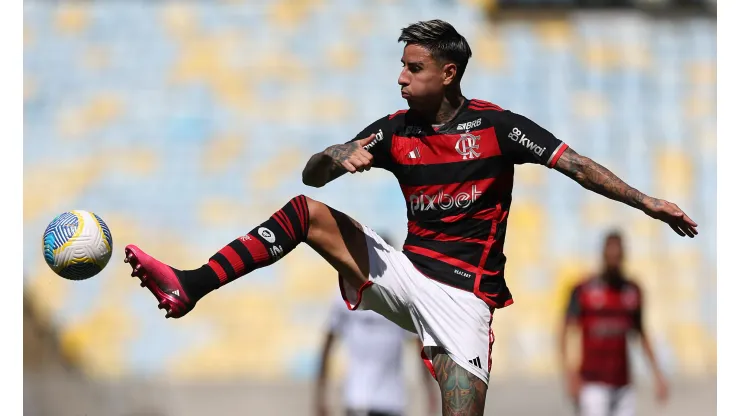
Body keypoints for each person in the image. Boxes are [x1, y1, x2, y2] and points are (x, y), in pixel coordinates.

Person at [122, 19, 697, 415]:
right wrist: (334, 155)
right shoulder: (395, 131)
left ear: (448, 74)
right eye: (401, 66)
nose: (400, 77)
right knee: (305, 213)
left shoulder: (498, 128)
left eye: (413, 67)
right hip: (407, 274)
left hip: (466, 303)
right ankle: (189, 285)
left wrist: (646, 202)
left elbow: (573, 165)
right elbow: (311, 176)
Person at [315, 235, 437, 416]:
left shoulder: (402, 298)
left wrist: (430, 394)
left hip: (392, 402)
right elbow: (328, 342)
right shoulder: (346, 293)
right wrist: (320, 395)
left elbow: (420, 347)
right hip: (357, 399)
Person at [559, 231, 669, 416]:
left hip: (623, 384)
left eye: (618, 256)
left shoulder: (632, 291)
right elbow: (563, 332)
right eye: (610, 255)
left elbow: (641, 333)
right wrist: (570, 375)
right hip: (592, 384)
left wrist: (658, 374)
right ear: (603, 255)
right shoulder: (583, 290)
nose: (614, 260)